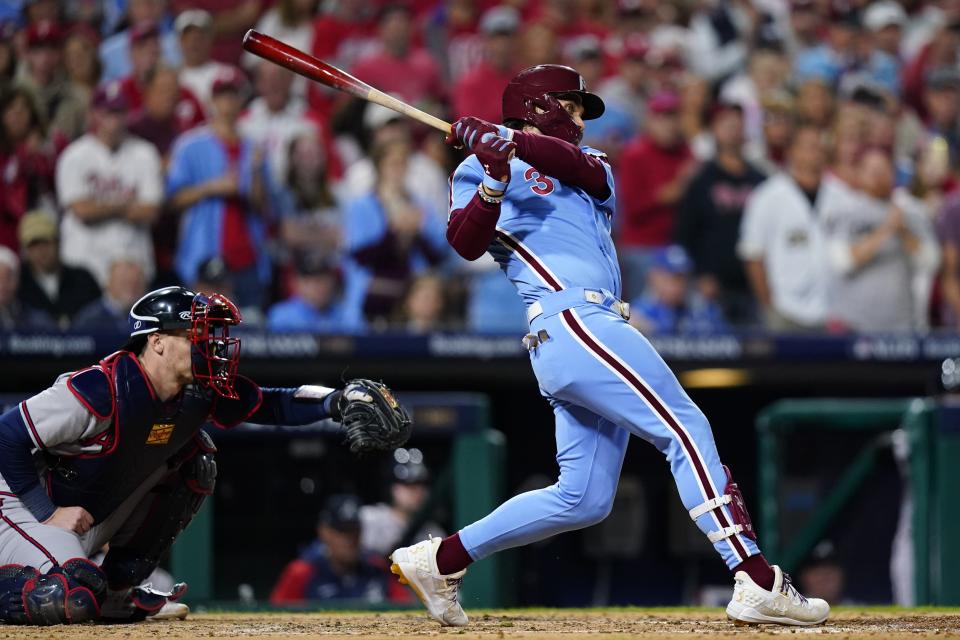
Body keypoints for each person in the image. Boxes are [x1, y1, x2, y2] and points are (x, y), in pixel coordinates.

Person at [389, 64, 829, 627]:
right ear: (540, 105)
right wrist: (495, 178)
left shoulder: (589, 165)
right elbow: (464, 243)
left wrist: (512, 141)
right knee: (683, 426)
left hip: (590, 324)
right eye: (570, 107)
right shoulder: (475, 167)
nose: (578, 120)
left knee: (583, 498)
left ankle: (441, 559)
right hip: (570, 319)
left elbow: (575, 168)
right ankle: (755, 574)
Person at [0, 285, 409, 625]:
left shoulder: (196, 393)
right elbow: (6, 434)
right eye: (195, 335)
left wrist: (335, 401)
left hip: (78, 512)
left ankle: (116, 591)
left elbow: (272, 404)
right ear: (156, 342)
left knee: (195, 457)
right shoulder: (97, 388)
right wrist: (45, 512)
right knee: (70, 595)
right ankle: (73, 586)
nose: (209, 345)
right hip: (21, 508)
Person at [166, 66, 274, 311]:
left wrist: (255, 173)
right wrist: (212, 188)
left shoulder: (254, 147)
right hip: (203, 257)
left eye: (233, 94)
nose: (228, 102)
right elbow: (172, 200)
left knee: (249, 335)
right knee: (200, 333)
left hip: (247, 257)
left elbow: (264, 207)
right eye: (222, 95)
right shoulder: (189, 146)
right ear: (212, 101)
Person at [56, 80, 162, 288]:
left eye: (119, 111)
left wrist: (100, 206)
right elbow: (82, 211)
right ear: (94, 113)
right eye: (107, 112)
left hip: (134, 264)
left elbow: (150, 211)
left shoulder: (145, 153)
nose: (113, 119)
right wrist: (126, 205)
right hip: (84, 263)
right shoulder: (74, 156)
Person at [821, 148, 939, 332]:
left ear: (893, 173)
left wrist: (903, 231)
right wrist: (885, 230)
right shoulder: (845, 211)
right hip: (853, 325)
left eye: (883, 170)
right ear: (859, 173)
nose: (878, 177)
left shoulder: (912, 212)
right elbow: (842, 263)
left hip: (901, 325)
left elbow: (930, 262)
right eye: (872, 171)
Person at [674, 102, 766, 325]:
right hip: (712, 285)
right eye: (726, 124)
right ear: (713, 130)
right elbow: (685, 231)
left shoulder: (760, 179)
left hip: (754, 284)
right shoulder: (702, 179)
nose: (733, 131)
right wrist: (701, 274)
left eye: (738, 125)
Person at [738, 125, 837, 332]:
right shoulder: (768, 196)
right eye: (810, 147)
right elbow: (753, 255)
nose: (816, 153)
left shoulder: (839, 193)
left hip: (833, 310)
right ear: (792, 151)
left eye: (820, 147)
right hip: (786, 309)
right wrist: (769, 307)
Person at [616, 90, 696, 300]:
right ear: (650, 121)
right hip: (643, 248)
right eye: (662, 118)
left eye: (673, 117)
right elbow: (632, 206)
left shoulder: (685, 152)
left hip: (678, 245)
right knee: (644, 318)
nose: (669, 124)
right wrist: (670, 193)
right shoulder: (634, 153)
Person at [269, 494, 391, 605]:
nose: (349, 538)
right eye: (341, 530)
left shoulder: (377, 568)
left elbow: (406, 606)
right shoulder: (302, 573)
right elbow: (274, 619)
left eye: (354, 529)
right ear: (324, 532)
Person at [16, 211, 100, 330]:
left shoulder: (83, 279)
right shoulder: (17, 284)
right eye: (34, 244)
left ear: (58, 243)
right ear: (25, 250)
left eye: (46, 242)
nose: (41, 251)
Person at [360, 448, 443, 557]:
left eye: (422, 484)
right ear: (393, 487)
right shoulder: (369, 520)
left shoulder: (435, 534)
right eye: (409, 485)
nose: (417, 491)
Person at [629, 245, 727, 336]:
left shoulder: (703, 307)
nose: (680, 284)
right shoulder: (638, 309)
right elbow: (618, 310)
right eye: (673, 277)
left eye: (684, 277)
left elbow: (728, 340)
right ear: (654, 277)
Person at [266, 252, 364, 334]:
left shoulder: (347, 316)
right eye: (308, 281)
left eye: (321, 280)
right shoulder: (281, 316)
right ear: (296, 283)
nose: (316, 287)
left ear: (333, 281)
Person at [71, 258, 148, 333]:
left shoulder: (152, 316)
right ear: (108, 283)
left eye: (137, 282)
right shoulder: (89, 320)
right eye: (124, 282)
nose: (131, 288)